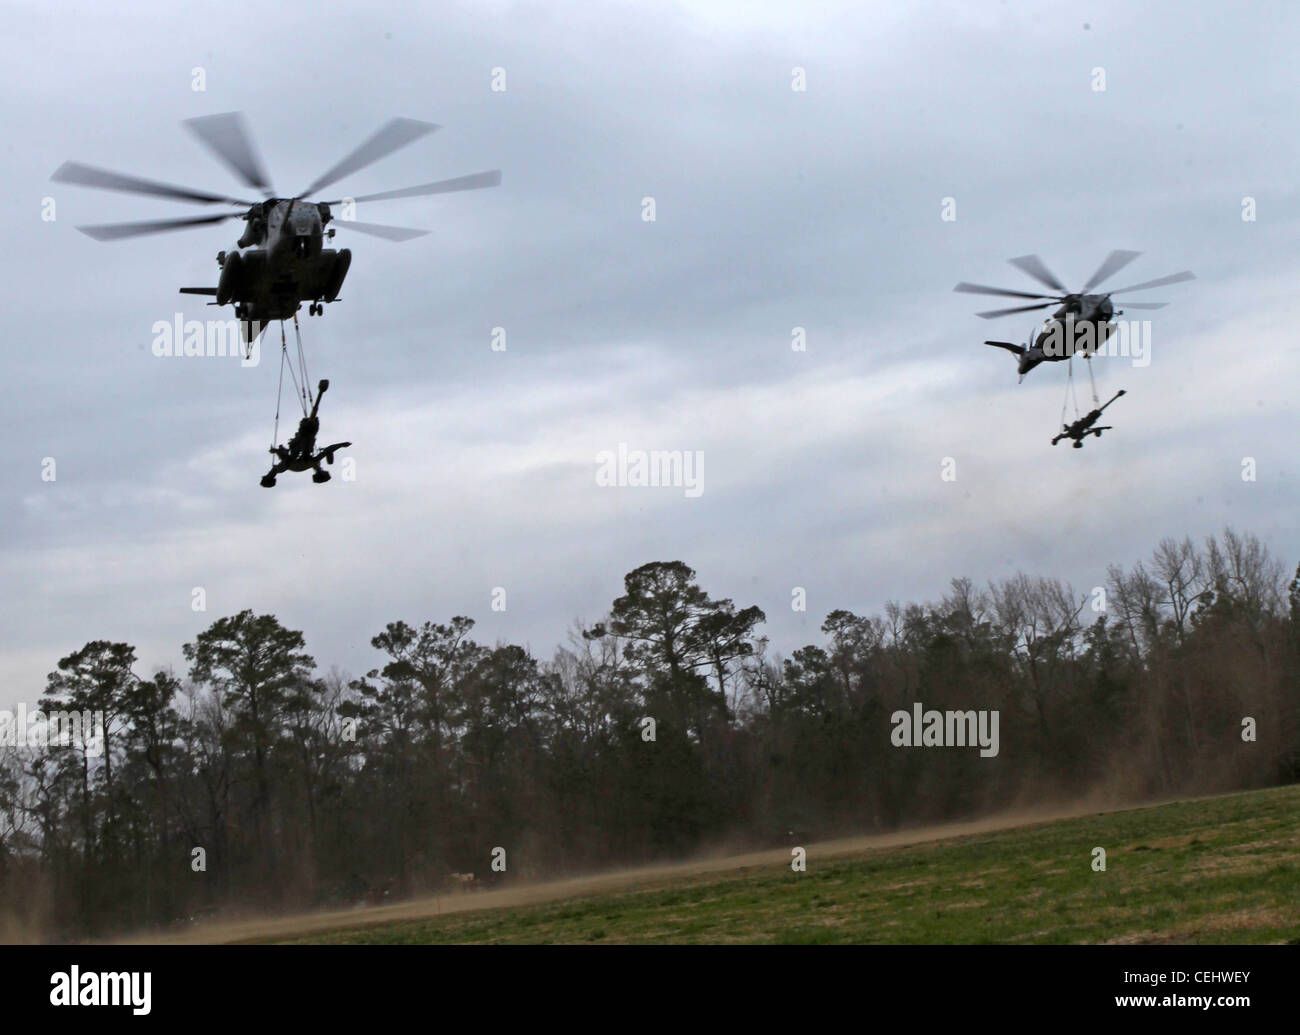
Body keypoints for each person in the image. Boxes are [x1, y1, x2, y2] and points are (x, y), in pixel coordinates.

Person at [261, 379, 351, 486]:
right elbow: (327, 451)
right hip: (305, 437)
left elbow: (327, 450)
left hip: (305, 437)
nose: (320, 468)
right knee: (310, 422)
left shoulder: (305, 463)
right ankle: (320, 394)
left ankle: (320, 394)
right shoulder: (307, 463)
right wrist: (341, 445)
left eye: (321, 471)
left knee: (310, 422)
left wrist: (341, 445)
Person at [1051, 389, 1125, 449]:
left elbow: (1061, 436)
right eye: (1079, 443)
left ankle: (1117, 396)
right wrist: (1104, 428)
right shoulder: (1077, 436)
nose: (1078, 442)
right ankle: (1117, 396)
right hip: (1087, 422)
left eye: (1078, 443)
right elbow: (1091, 431)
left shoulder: (1072, 435)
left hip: (1086, 422)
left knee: (1097, 412)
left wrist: (1055, 440)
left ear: (1077, 443)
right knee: (1097, 412)